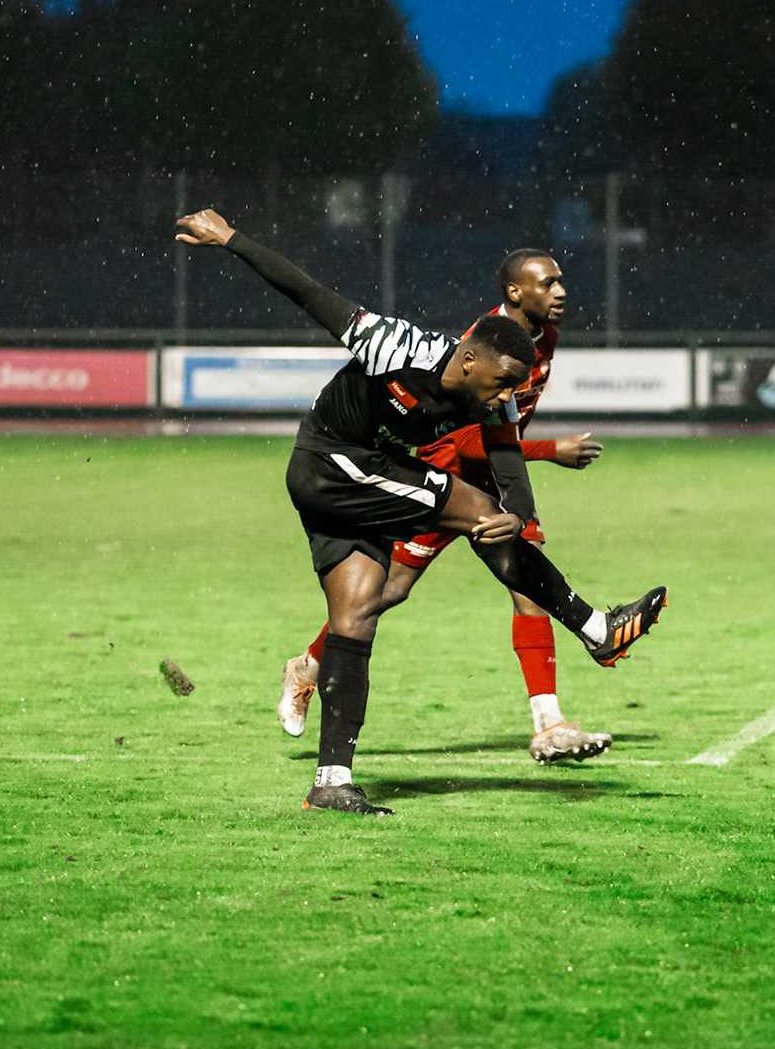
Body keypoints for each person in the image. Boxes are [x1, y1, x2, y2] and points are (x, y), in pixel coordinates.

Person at [174, 209, 667, 814]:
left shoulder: (495, 385)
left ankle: (331, 782)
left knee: (359, 614)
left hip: (370, 479)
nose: (507, 397)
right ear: (467, 362)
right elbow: (310, 293)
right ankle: (596, 631)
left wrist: (521, 512)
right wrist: (231, 240)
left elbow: (506, 448)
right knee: (475, 512)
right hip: (331, 464)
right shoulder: (393, 346)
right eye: (501, 385)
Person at [277, 250, 619, 764]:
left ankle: (549, 723)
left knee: (524, 578)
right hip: (447, 471)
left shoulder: (538, 338)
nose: (561, 292)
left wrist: (520, 493)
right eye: (548, 284)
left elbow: (501, 434)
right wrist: (551, 451)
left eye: (560, 282)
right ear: (515, 292)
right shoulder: (478, 349)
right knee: (386, 589)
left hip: (490, 477)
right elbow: (467, 439)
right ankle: (308, 667)